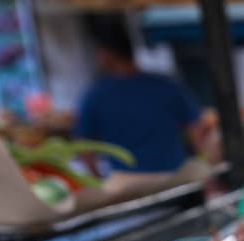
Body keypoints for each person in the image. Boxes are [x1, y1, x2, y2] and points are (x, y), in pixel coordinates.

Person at [75, 29, 203, 174]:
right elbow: (196, 129)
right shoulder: (166, 86)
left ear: (106, 54)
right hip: (175, 173)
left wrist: (96, 178)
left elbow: (83, 145)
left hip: (128, 180)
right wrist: (201, 161)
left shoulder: (96, 95)